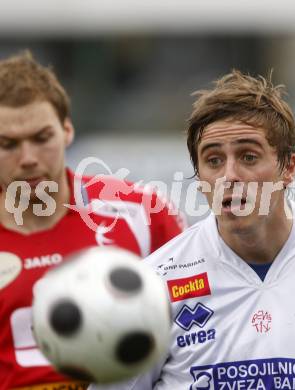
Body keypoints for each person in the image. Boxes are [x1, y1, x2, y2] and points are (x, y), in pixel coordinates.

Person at [90, 70, 295, 390]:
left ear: (288, 167)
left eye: (249, 156)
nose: (230, 175)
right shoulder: (153, 286)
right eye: (214, 160)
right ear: (199, 177)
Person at [0, 51, 185, 390]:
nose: (27, 159)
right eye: (7, 144)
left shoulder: (142, 212)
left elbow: (198, 317)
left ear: (67, 130)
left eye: (42, 139)